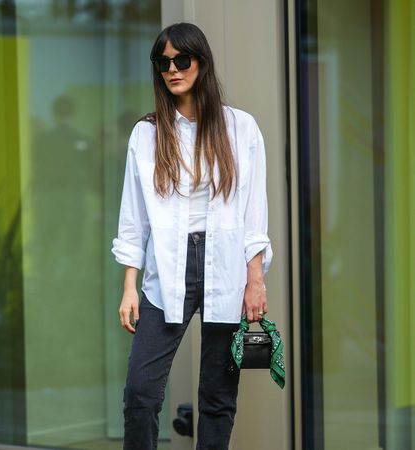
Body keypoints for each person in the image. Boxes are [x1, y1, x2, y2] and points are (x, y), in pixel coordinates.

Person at [111, 22, 272, 450]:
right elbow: (134, 217)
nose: (172, 69)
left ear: (201, 62)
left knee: (218, 398)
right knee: (140, 394)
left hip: (226, 265)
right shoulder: (147, 134)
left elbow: (254, 212)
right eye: (162, 63)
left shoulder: (241, 129)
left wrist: (255, 279)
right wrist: (129, 285)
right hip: (167, 268)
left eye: (181, 60)